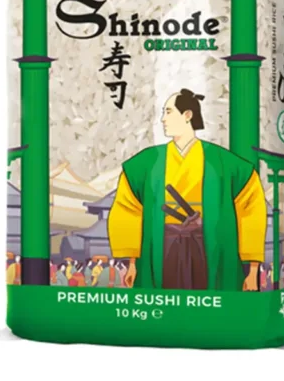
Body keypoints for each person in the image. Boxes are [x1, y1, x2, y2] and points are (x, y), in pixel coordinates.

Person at [108, 89, 267, 291]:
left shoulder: (222, 161)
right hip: (163, 245)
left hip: (207, 245)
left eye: (168, 112)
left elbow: (251, 209)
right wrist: (132, 263)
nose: (163, 119)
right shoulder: (148, 161)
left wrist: (253, 269)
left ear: (187, 115)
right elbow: (128, 209)